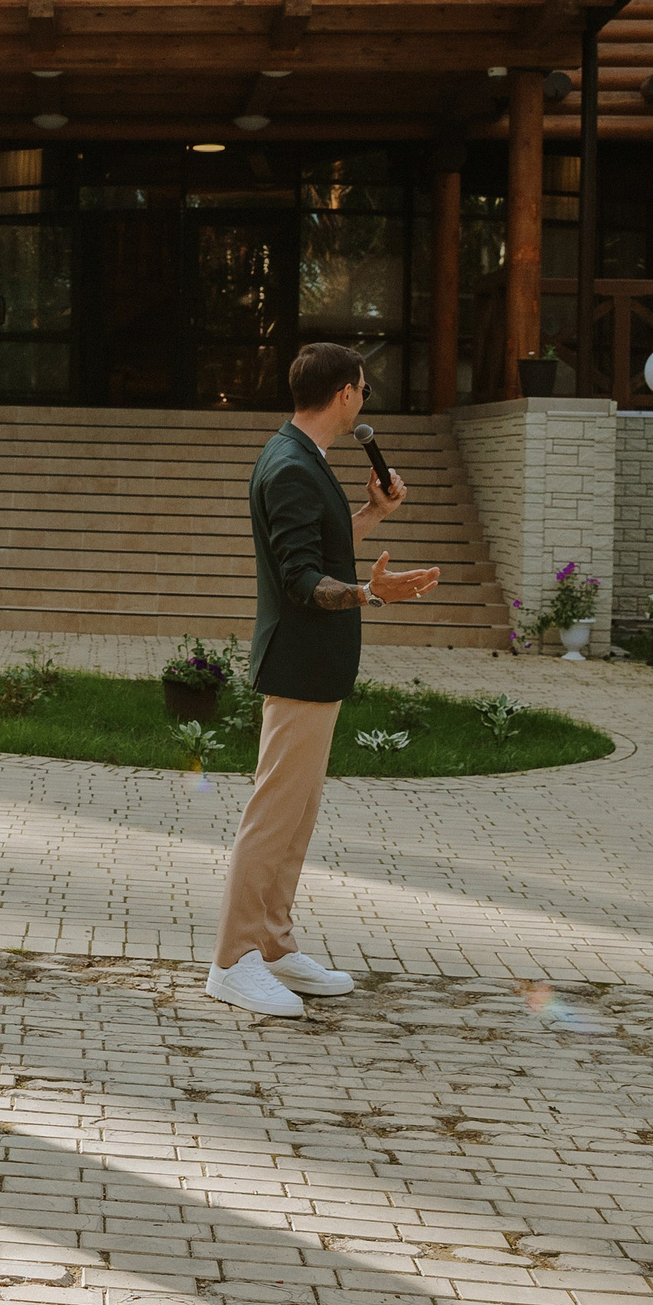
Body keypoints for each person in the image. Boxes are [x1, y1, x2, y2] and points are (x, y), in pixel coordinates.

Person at [206, 342, 441, 1019]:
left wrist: (374, 515)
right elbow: (300, 579)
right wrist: (371, 592)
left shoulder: (305, 459)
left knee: (296, 818)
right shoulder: (290, 467)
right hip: (298, 664)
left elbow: (322, 549)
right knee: (272, 817)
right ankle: (232, 961)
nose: (364, 400)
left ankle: (273, 946)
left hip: (317, 666)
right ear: (344, 393)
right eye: (363, 389)